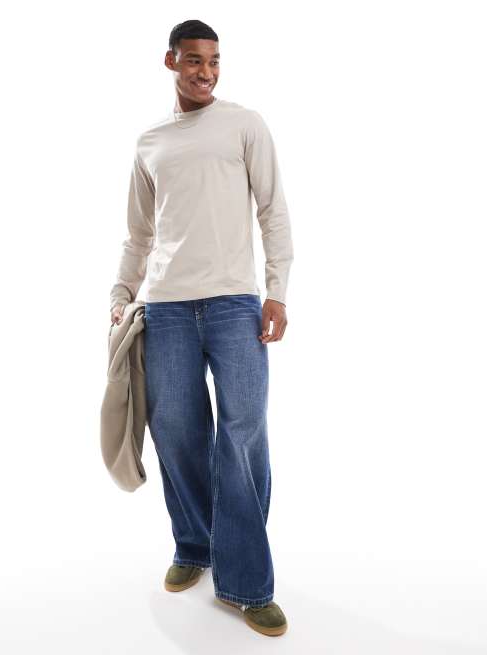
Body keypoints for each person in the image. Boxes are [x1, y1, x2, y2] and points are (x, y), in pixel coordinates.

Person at [109, 19, 294, 637]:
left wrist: (277, 291)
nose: (206, 72)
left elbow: (272, 210)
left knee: (242, 437)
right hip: (166, 309)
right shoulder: (150, 142)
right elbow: (139, 233)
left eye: (214, 61)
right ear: (171, 61)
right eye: (194, 60)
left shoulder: (245, 125)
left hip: (235, 305)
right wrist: (121, 294)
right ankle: (194, 545)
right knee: (178, 432)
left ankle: (247, 582)